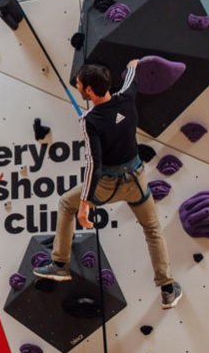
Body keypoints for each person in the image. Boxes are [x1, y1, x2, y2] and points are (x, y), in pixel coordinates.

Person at [33, 59, 182, 309]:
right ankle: (167, 289)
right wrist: (134, 62)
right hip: (136, 180)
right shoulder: (126, 97)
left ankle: (59, 265)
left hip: (108, 185)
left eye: (80, 84)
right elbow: (133, 71)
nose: (77, 85)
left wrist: (84, 204)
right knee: (153, 229)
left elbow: (94, 163)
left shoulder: (90, 121)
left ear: (89, 91)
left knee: (66, 204)